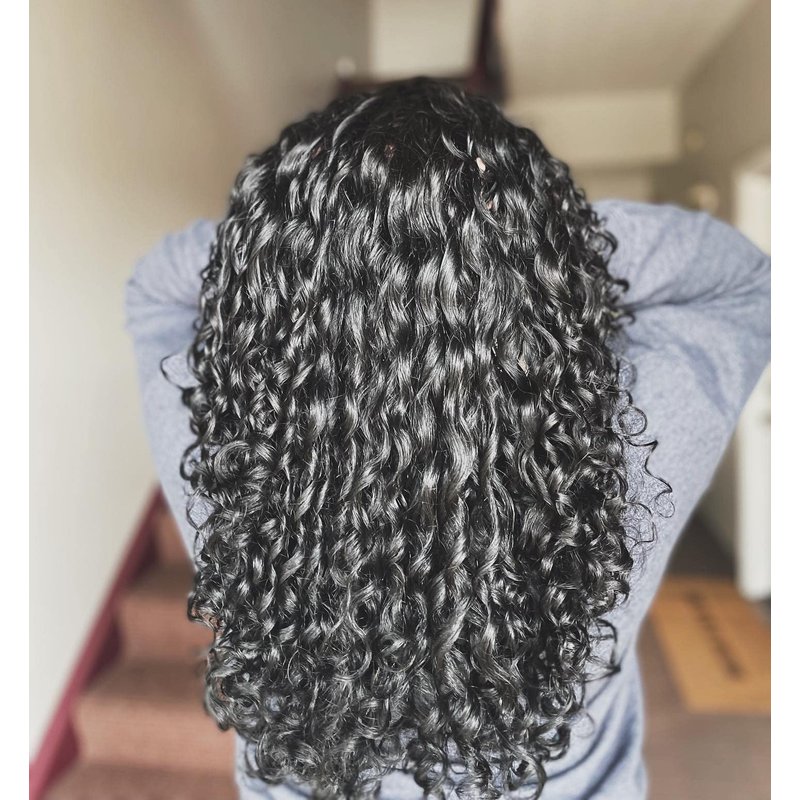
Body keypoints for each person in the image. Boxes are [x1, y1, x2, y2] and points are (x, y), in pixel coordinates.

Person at [125, 78, 770, 800]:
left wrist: (296, 239)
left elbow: (155, 286)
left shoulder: (230, 474)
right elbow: (741, 280)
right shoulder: (618, 454)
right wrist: (536, 234)